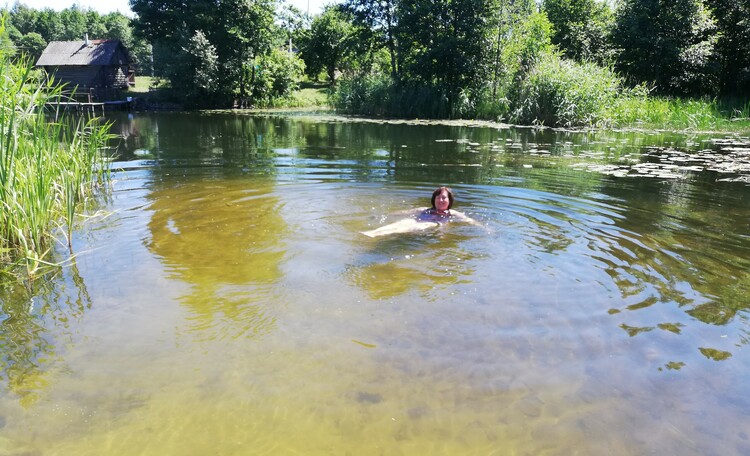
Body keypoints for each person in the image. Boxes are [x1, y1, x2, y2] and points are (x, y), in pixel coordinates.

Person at [361, 186, 480, 237]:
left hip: (432, 224)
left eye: (444, 197)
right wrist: (385, 215)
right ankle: (374, 232)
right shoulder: (424, 210)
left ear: (449, 200)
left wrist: (484, 228)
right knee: (405, 222)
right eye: (438, 197)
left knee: (421, 225)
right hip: (416, 220)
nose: (440, 200)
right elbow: (404, 212)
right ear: (434, 200)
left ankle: (379, 234)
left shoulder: (452, 213)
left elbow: (469, 220)